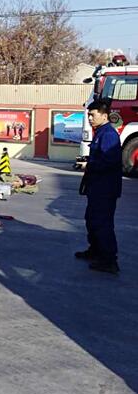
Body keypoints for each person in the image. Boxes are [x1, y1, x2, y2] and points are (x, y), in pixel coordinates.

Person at [76, 101, 122, 274]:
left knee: (102, 223)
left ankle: (109, 260)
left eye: (92, 115)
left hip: (105, 189)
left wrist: (89, 165)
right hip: (97, 187)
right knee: (92, 219)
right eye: (88, 115)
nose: (89, 118)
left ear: (104, 116)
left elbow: (109, 162)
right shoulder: (101, 132)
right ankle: (95, 250)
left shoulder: (108, 134)